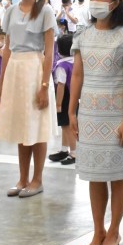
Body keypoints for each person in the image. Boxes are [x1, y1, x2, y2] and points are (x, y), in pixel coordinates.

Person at [68, 0, 123, 245]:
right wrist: (71, 110)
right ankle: (98, 230)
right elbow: (77, 74)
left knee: (117, 174)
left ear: (114, 3)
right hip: (89, 112)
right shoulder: (83, 34)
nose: (95, 1)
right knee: (95, 175)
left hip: (115, 113)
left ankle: (114, 230)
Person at [0, 0, 57, 198]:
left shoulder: (45, 10)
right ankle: (22, 178)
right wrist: (1, 83)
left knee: (37, 127)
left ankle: (37, 179)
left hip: (35, 69)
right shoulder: (11, 10)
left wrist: (44, 85)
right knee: (22, 126)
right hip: (15, 69)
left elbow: (49, 53)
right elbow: (7, 48)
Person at [48, 33, 76, 166]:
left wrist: (58, 103)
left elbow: (61, 85)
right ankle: (64, 150)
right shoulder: (75, 62)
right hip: (74, 96)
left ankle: (74, 152)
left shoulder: (61, 66)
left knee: (67, 126)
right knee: (66, 125)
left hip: (65, 98)